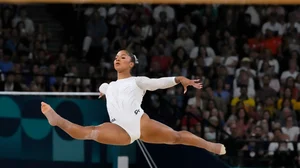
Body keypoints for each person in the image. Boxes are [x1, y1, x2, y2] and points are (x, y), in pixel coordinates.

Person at [41, 50, 226, 155]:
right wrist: (103, 89)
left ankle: (210, 146)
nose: (117, 59)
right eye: (116, 57)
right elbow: (104, 87)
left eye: (123, 57)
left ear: (131, 64)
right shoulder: (109, 86)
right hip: (120, 130)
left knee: (177, 137)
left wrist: (178, 79)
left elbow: (158, 83)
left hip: (141, 123)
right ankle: (57, 120)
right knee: (89, 132)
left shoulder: (137, 81)